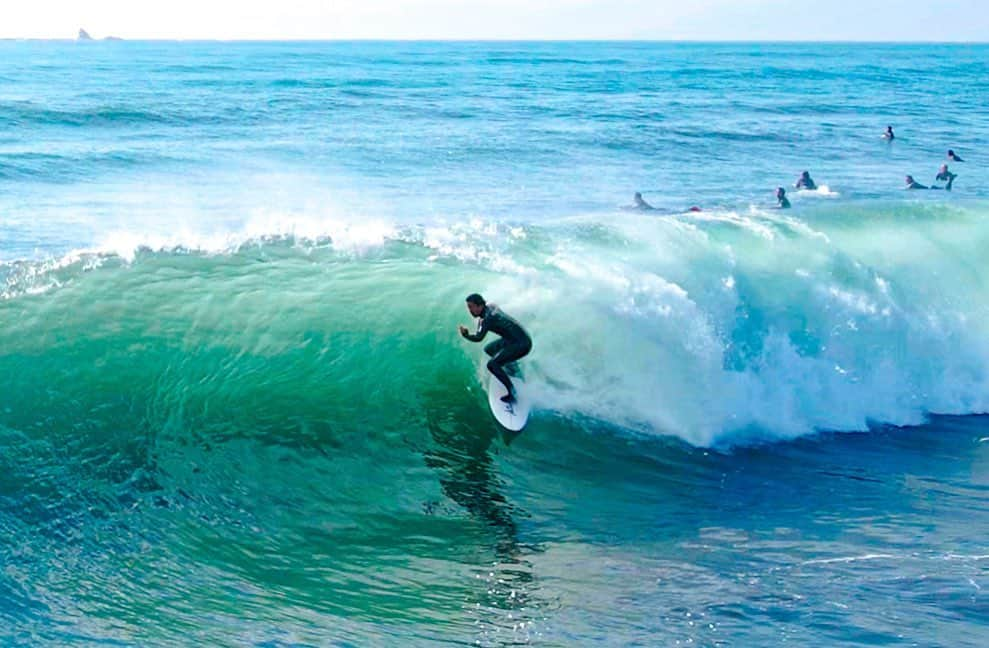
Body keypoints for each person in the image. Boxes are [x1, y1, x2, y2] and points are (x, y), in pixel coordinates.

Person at [458, 294, 532, 404]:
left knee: (492, 365)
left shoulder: (487, 319)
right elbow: (483, 324)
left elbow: (478, 337)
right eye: (468, 307)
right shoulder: (490, 306)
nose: (470, 310)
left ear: (480, 306)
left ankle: (513, 393)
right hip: (519, 338)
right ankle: (513, 368)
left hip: (521, 344)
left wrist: (466, 335)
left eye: (471, 307)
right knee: (489, 349)